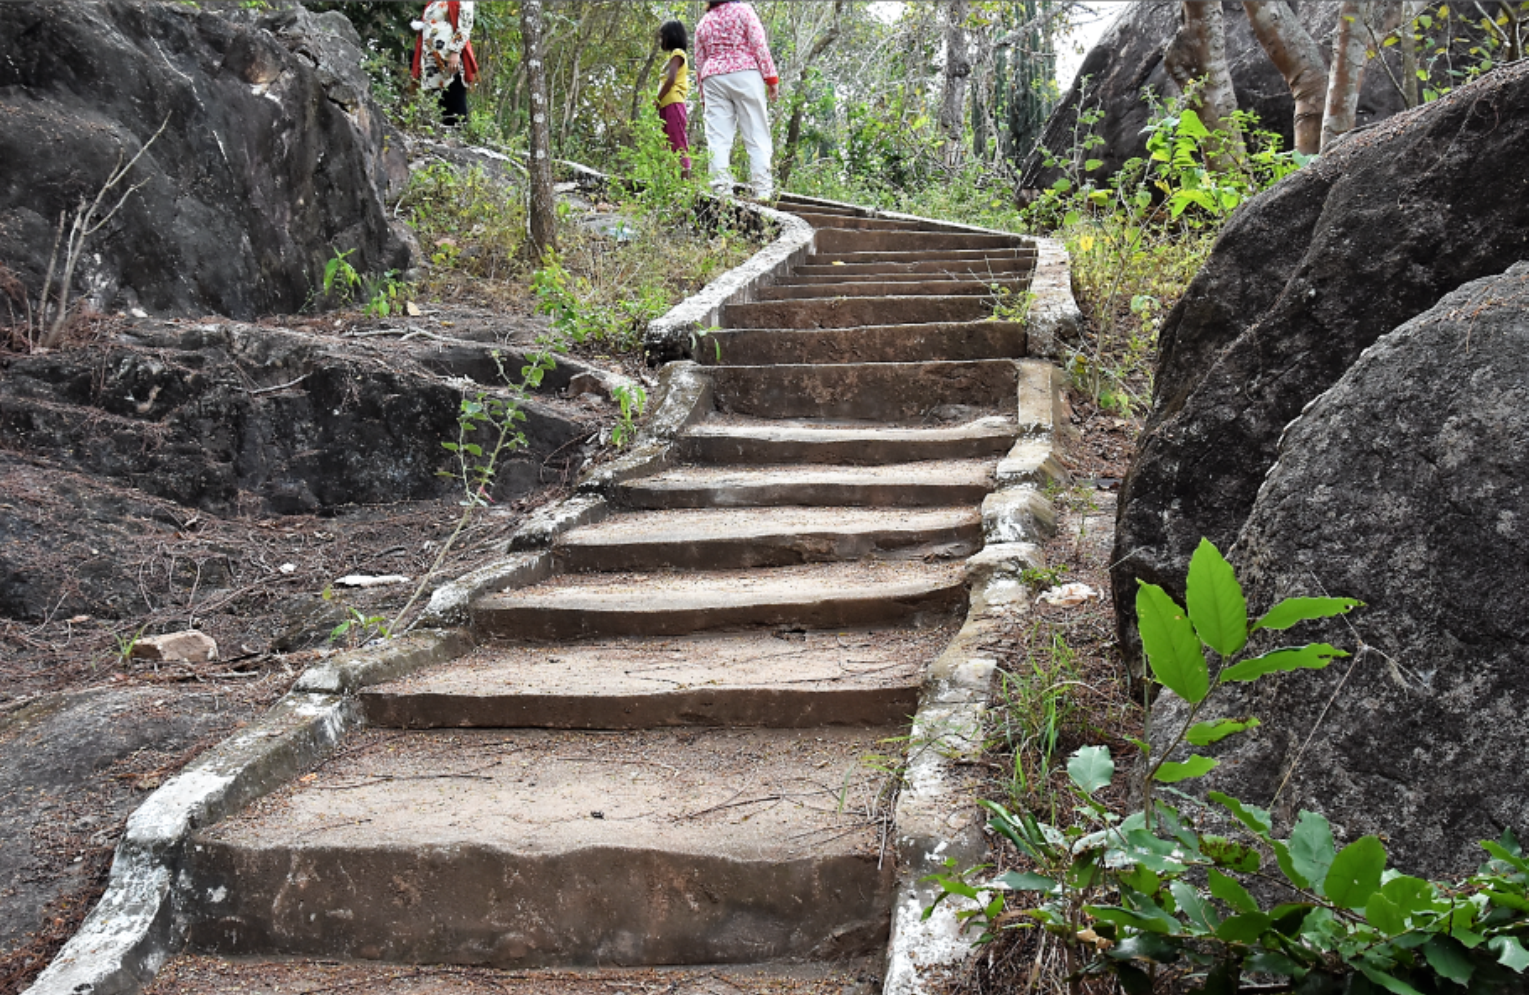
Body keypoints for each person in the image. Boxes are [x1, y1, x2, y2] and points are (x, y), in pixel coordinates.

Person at [693, 0, 778, 201]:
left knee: (717, 138)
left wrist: (703, 95)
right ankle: (763, 191)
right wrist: (771, 77)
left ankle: (721, 192)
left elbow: (699, 62)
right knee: (756, 132)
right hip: (745, 72)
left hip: (713, 77)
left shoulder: (704, 23)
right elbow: (759, 45)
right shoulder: (744, 11)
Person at [411, 1, 479, 127]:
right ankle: (442, 138)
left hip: (449, 56)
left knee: (454, 98)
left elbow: (465, 25)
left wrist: (455, 52)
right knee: (439, 102)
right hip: (433, 60)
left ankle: (458, 137)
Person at [654, 20, 693, 179]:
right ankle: (672, 179)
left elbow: (671, 80)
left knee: (677, 141)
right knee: (668, 142)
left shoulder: (677, 54)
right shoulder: (671, 57)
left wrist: (657, 99)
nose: (661, 41)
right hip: (666, 104)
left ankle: (685, 181)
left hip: (673, 103)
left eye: (663, 37)